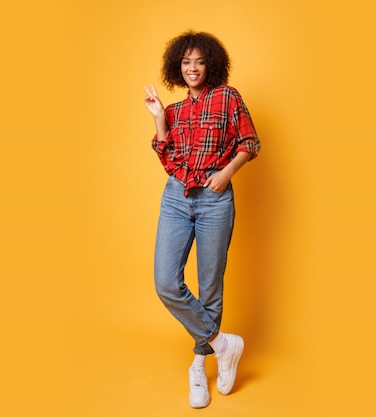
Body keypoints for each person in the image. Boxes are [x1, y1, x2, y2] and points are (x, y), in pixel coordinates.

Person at [143, 30, 261, 408]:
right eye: (185, 62)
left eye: (199, 61)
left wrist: (226, 173)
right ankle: (223, 345)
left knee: (210, 286)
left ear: (211, 63)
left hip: (214, 199)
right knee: (166, 281)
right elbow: (168, 159)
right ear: (177, 67)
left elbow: (250, 143)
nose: (192, 68)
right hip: (177, 198)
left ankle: (200, 365)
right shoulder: (175, 111)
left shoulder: (227, 97)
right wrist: (160, 117)